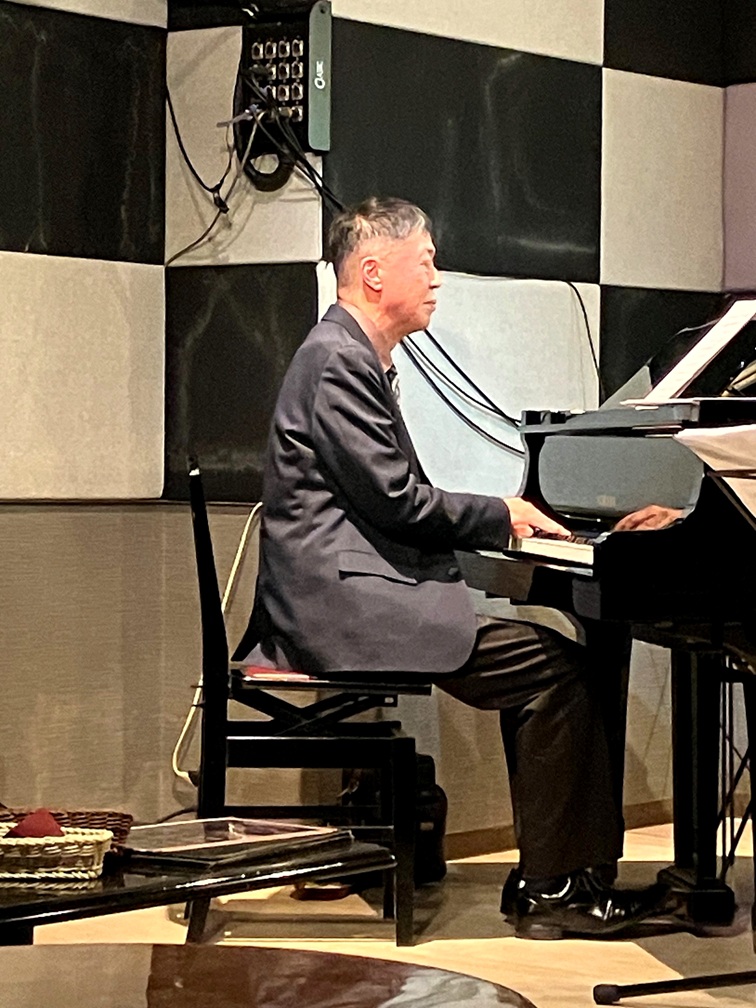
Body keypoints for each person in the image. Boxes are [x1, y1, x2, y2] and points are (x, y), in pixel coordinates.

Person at [235, 196, 670, 939]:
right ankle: (556, 889)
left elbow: (391, 502)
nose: (438, 277)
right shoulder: (337, 360)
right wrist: (504, 514)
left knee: (565, 663)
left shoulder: (345, 354)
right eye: (427, 259)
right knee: (560, 673)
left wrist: (505, 522)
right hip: (344, 611)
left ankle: (565, 877)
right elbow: (398, 502)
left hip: (352, 594)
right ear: (375, 273)